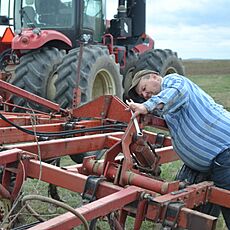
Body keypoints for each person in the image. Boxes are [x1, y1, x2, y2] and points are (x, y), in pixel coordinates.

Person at [126, 70, 230, 229]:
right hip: (213, 162)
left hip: (225, 152)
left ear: (154, 77)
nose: (146, 94)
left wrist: (146, 106)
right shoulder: (168, 105)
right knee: (196, 214)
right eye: (143, 94)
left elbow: (177, 91)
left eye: (145, 88)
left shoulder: (173, 81)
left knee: (227, 202)